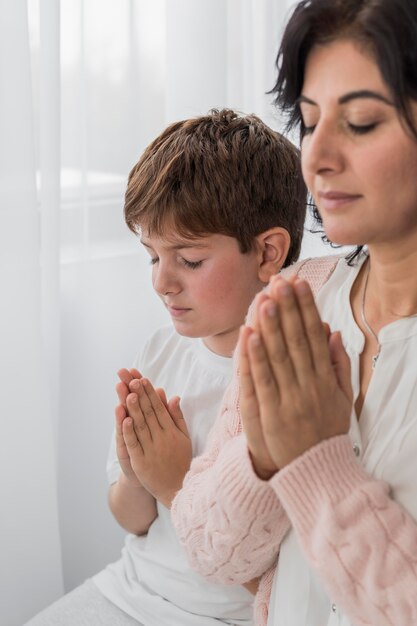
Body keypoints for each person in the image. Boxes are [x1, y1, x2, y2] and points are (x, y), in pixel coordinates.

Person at [171, 2, 417, 625]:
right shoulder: (297, 295)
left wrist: (314, 459)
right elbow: (210, 551)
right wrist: (263, 454)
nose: (319, 156)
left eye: (360, 121)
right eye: (309, 122)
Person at [24, 108, 306, 626]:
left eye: (189, 260)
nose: (161, 282)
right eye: (152, 257)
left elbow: (288, 568)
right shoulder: (160, 352)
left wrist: (177, 480)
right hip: (129, 590)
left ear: (268, 253)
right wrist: (138, 476)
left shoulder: (294, 380)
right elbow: (132, 521)